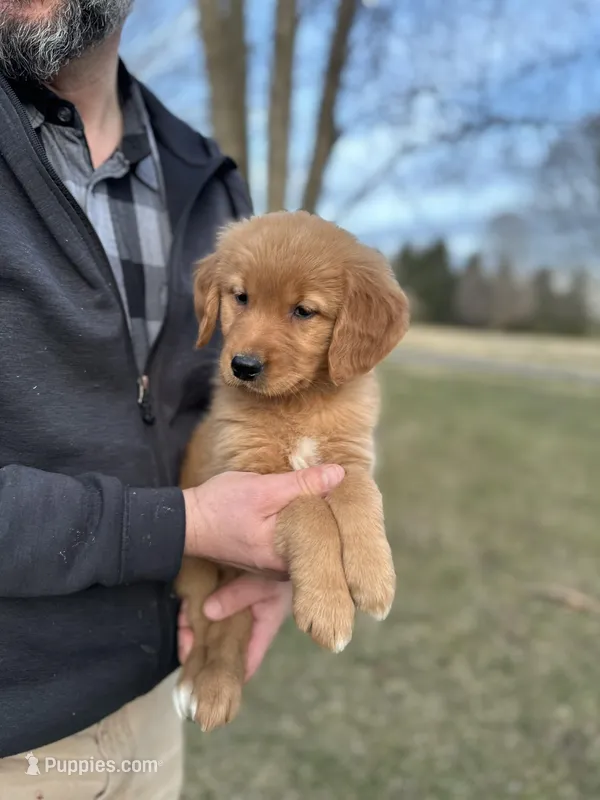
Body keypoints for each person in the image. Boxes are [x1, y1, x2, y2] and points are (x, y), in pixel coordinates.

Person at [0, 1, 345, 796]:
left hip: (153, 697)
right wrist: (183, 526)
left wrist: (264, 550)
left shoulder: (206, 179)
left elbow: (221, 408)